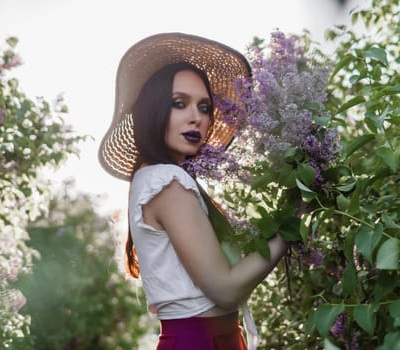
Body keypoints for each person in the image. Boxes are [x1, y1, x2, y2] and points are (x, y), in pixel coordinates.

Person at [98, 33, 289, 350]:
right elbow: (226, 290)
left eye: (204, 107)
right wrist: (291, 227)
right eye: (178, 103)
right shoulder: (166, 181)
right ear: (152, 110)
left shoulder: (152, 178)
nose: (196, 117)